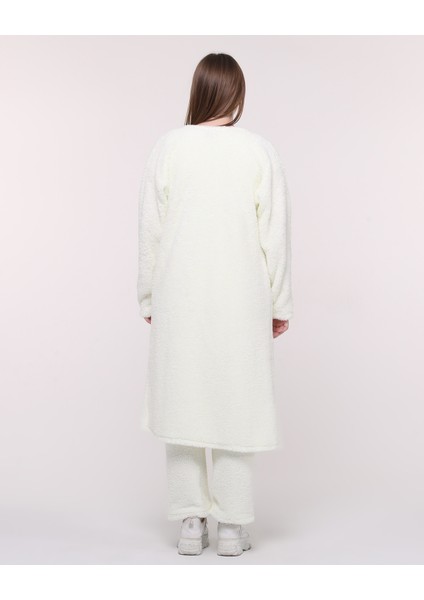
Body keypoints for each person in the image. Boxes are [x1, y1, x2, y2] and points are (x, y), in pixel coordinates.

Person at [137, 52, 293, 556]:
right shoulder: (259, 151)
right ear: (237, 95)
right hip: (241, 297)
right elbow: (275, 235)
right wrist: (279, 302)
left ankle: (190, 522)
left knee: (182, 402)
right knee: (235, 405)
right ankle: (231, 527)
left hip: (179, 295)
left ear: (198, 91)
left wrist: (149, 295)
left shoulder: (168, 147)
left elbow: (150, 231)